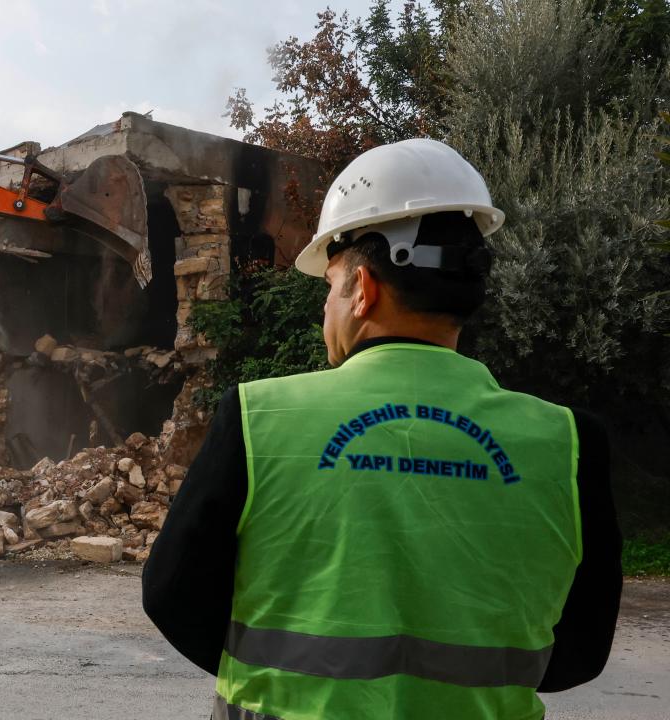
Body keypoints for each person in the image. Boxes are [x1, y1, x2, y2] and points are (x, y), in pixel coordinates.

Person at [142, 138, 622, 720]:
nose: (326, 311)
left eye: (329, 288)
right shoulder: (569, 443)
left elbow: (172, 595)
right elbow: (581, 652)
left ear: (363, 290)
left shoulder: (255, 417)